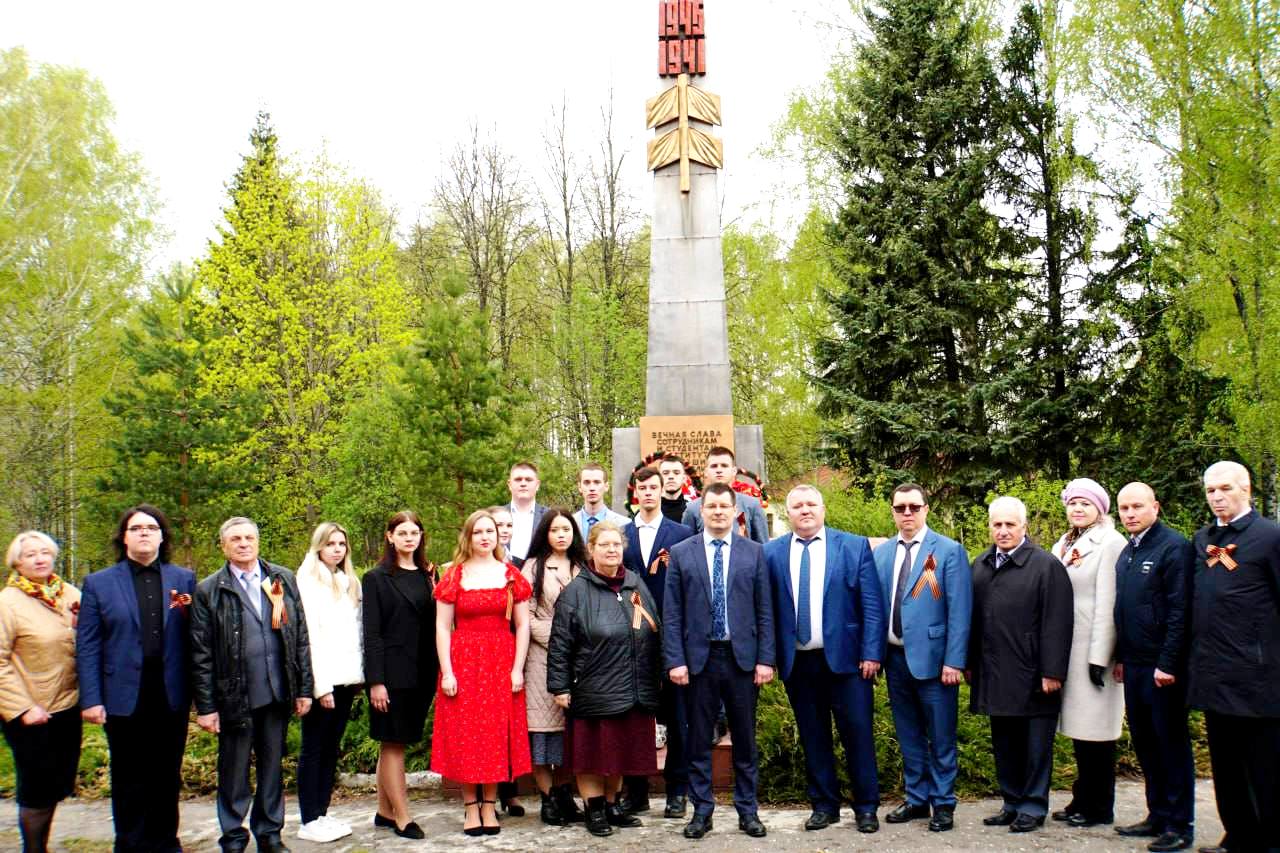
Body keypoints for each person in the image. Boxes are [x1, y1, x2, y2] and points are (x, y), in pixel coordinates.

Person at [191, 517, 314, 853]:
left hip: (277, 691)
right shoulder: (208, 590)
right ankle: (233, 836)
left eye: (249, 537)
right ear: (224, 546)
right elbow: (200, 653)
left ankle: (270, 834)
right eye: (235, 539)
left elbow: (300, 637)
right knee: (233, 771)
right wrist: (206, 706)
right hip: (234, 696)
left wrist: (303, 688)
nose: (243, 543)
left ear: (258, 541)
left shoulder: (282, 579)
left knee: (272, 767)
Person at [77, 505, 195, 853]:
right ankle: (130, 843)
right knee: (129, 777)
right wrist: (92, 698)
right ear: (124, 537)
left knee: (166, 774)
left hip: (170, 692)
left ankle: (165, 842)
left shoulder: (183, 579)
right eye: (136, 528)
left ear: (162, 535)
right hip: (123, 694)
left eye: (151, 527)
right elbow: (88, 645)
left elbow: (194, 638)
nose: (144, 532)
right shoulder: (99, 583)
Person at [769, 485, 886, 833]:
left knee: (858, 734)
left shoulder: (852, 546)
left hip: (848, 662)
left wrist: (871, 652)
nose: (804, 510)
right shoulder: (771, 553)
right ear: (788, 513)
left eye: (811, 504)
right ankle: (824, 805)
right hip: (798, 663)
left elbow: (872, 605)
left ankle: (866, 807)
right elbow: (768, 611)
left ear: (823, 509)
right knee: (813, 735)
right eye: (797, 505)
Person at [663, 482, 776, 839]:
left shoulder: (754, 552)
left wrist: (766, 660)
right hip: (698, 661)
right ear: (702, 510)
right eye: (710, 506)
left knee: (744, 738)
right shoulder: (681, 553)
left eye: (723, 507)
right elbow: (672, 613)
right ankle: (702, 812)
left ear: (734, 511)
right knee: (697, 739)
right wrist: (675, 661)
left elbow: (764, 611)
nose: (717, 512)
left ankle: (748, 811)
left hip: (742, 660)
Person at [547, 521, 663, 837]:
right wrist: (559, 686)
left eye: (616, 545)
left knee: (620, 752)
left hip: (633, 687)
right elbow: (560, 643)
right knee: (591, 758)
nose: (611, 550)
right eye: (604, 545)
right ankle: (594, 809)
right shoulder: (576, 592)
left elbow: (655, 630)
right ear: (591, 550)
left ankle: (612, 805)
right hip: (592, 689)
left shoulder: (636, 584)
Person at [1188, 461, 1280, 853]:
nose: (1217, 497)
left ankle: (1272, 840)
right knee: (1225, 767)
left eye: (1225, 488)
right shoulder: (1204, 539)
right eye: (1210, 490)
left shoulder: (1270, 537)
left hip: (1258, 677)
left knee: (1265, 768)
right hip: (1214, 671)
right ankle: (1238, 835)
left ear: (1247, 489)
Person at [967, 496, 1072, 834]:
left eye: (1010, 524)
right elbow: (971, 620)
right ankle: (1011, 802)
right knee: (1005, 742)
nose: (1003, 531)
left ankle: (1032, 805)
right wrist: (970, 663)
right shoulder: (981, 564)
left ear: (1024, 526)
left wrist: (1052, 671)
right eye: (997, 525)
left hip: (1034, 674)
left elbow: (1058, 622)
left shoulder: (1045, 565)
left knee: (1035, 747)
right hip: (994, 672)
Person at [873, 483, 971, 833]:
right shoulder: (883, 554)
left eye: (914, 506)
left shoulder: (948, 551)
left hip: (935, 660)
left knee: (941, 735)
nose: (907, 513)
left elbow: (960, 611)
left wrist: (954, 661)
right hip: (895, 659)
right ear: (893, 512)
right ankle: (917, 798)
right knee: (909, 734)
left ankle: (943, 803)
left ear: (926, 509)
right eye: (900, 508)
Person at [432, 510, 533, 837]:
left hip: (501, 662)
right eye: (478, 532)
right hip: (463, 661)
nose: (485, 537)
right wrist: (447, 671)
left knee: (493, 733)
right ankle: (469, 806)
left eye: (490, 531)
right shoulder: (454, 576)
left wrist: (517, 668)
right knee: (466, 733)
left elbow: (522, 625)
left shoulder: (510, 575)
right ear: (468, 537)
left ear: (498, 536)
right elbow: (443, 626)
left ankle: (489, 804)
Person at [1112, 482, 1196, 853]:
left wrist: (1169, 661)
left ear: (1155, 507)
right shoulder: (1128, 551)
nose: (1129, 513)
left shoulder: (1172, 547)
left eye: (1136, 507)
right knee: (1146, 743)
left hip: (1162, 669)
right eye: (1124, 508)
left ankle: (1180, 824)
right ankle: (1157, 814)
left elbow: (1180, 611)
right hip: (1134, 663)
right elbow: (1124, 609)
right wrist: (1120, 656)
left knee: (1170, 744)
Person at [1048, 478, 1126, 830]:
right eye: (1073, 503)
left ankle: (1099, 806)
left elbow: (1110, 602)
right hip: (1067, 648)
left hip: (1093, 653)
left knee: (1097, 734)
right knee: (1080, 733)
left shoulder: (1110, 543)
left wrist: (1101, 656)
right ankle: (1082, 797)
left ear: (1100, 508)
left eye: (1085, 504)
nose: (1078, 509)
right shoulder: (1063, 542)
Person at [620, 466, 696, 818]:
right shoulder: (620, 535)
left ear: (662, 489)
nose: (649, 492)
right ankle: (635, 791)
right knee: (634, 717)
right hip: (628, 641)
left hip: (671, 638)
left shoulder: (681, 533)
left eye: (655, 487)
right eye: (643, 487)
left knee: (677, 716)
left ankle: (677, 791)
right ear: (635, 491)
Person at [0, 531, 82, 853]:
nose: (39, 559)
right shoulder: (8, 602)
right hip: (31, 712)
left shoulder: (69, 595)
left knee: (56, 785)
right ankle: (33, 849)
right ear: (17, 562)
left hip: (67, 705)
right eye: (30, 554)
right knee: (36, 788)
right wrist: (22, 708)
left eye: (45, 552)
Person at [361, 511, 437, 840]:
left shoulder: (426, 574)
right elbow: (372, 633)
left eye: (415, 532)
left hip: (421, 672)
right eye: (402, 532)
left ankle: (383, 810)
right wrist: (376, 681)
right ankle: (402, 816)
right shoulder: (377, 577)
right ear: (390, 536)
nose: (409, 538)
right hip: (391, 675)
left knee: (394, 743)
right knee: (394, 745)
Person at [295, 522, 363, 843]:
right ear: (318, 546)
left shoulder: (348, 582)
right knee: (314, 748)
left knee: (330, 749)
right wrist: (320, 687)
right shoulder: (309, 582)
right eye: (330, 543)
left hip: (346, 679)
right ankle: (308, 818)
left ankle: (322, 812)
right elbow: (311, 638)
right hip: (323, 682)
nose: (337, 549)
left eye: (341, 544)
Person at [521, 509, 590, 825]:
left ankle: (564, 794)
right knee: (542, 734)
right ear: (545, 534)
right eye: (555, 530)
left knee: (567, 734)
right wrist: (561, 639)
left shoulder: (584, 567)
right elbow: (526, 617)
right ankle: (547, 798)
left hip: (580, 660)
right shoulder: (532, 568)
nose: (561, 535)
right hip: (540, 660)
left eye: (567, 529)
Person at [488, 505, 528, 817]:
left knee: (509, 724)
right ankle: (483, 794)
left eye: (507, 525)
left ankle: (510, 791)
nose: (503, 530)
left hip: (515, 649)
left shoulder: (518, 566)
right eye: (497, 524)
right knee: (486, 725)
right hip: (484, 651)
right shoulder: (472, 564)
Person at [680, 447, 769, 543]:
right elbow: (686, 549)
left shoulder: (752, 505)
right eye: (714, 466)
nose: (719, 470)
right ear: (706, 472)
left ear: (734, 471)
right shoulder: (692, 508)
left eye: (724, 466)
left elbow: (763, 548)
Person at [507, 461, 548, 565]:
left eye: (528, 480)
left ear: (537, 485)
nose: (523, 483)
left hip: (539, 577)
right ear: (509, 484)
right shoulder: (494, 516)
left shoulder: (550, 517)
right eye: (518, 479)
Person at [573, 462, 631, 535]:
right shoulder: (569, 523)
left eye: (597, 482)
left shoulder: (624, 524)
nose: (592, 488)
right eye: (587, 483)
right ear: (579, 487)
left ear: (606, 486)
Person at [659, 454, 691, 523]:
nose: (671, 476)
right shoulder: (648, 512)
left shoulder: (693, 511)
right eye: (665, 473)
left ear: (684, 478)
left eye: (676, 473)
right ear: (659, 479)